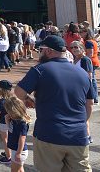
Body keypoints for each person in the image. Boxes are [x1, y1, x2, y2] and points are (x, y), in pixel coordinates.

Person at [15, 35, 94, 172]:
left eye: (41, 49)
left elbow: (19, 92)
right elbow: (90, 103)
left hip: (49, 134)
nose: (40, 52)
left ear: (49, 51)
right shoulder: (82, 73)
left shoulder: (40, 69)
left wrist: (29, 98)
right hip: (78, 136)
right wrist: (82, 122)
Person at [71, 41, 94, 143]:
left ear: (81, 48)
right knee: (80, 113)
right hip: (76, 88)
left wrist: (84, 90)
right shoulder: (75, 59)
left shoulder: (85, 60)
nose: (74, 49)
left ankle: (87, 135)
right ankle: (83, 134)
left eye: (76, 47)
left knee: (85, 115)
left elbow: (89, 76)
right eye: (72, 48)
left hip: (85, 89)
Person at [4, 96, 31, 172]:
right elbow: (11, 130)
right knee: (20, 169)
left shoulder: (22, 123)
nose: (7, 112)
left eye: (8, 111)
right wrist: (7, 120)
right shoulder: (14, 119)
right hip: (15, 150)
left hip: (19, 151)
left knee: (14, 170)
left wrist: (18, 153)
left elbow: (22, 138)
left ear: (14, 111)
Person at [80, 27, 100, 103]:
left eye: (82, 32)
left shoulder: (88, 42)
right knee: (92, 80)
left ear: (86, 33)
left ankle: (94, 98)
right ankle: (94, 97)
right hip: (93, 61)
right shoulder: (91, 41)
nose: (80, 33)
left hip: (91, 62)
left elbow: (90, 54)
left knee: (92, 80)